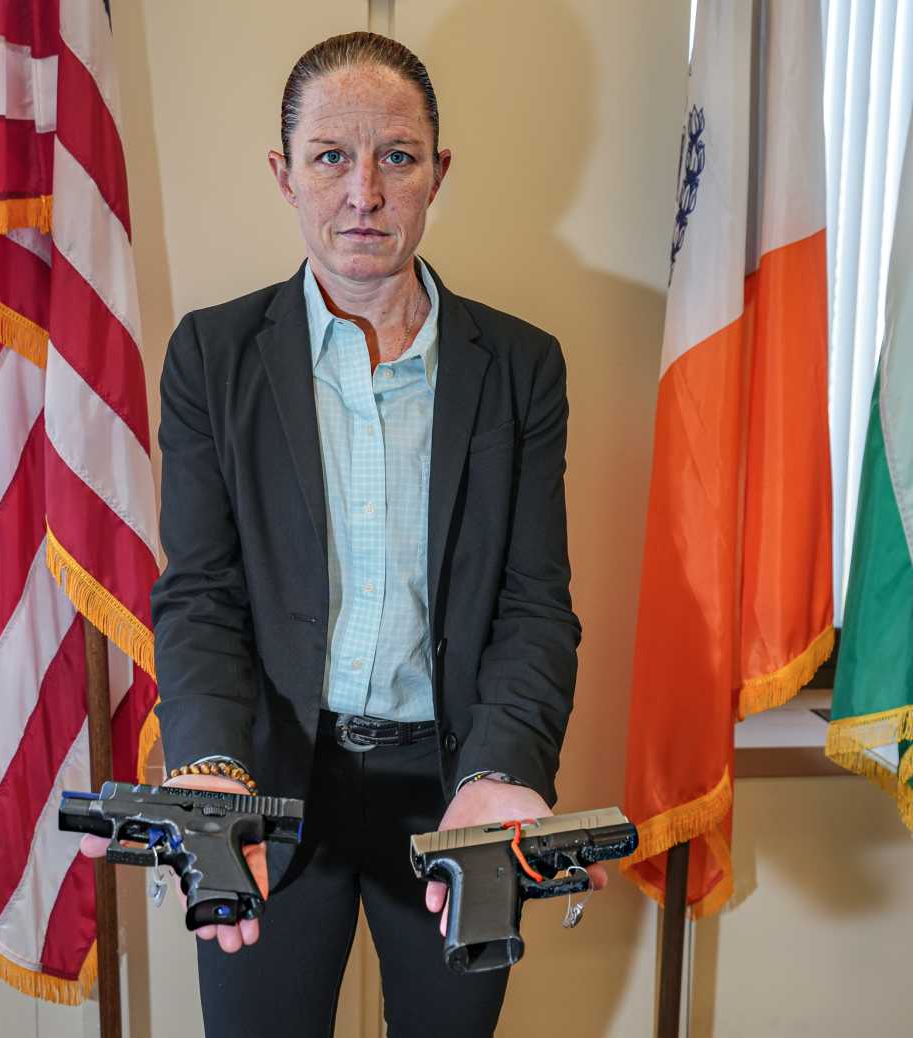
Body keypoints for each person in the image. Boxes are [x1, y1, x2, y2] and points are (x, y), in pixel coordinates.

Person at [81, 31, 604, 1037]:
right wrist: (211, 763)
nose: (364, 192)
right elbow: (200, 594)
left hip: (454, 790)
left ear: (437, 172)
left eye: (396, 157)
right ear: (285, 175)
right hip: (271, 784)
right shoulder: (212, 357)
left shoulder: (521, 367)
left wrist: (501, 772)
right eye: (331, 157)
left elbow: (535, 605)